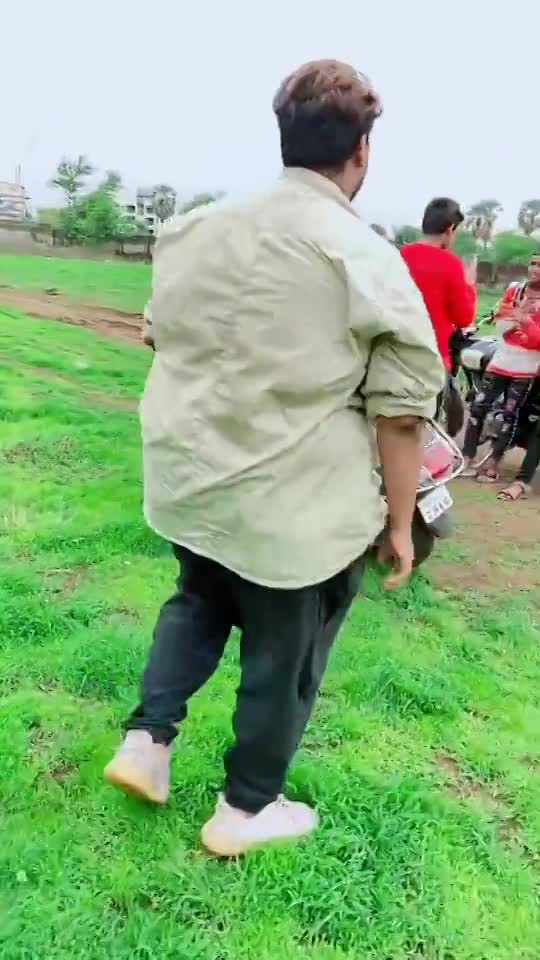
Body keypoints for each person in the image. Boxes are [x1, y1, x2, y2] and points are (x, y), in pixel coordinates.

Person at [104, 59, 444, 857]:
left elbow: (159, 334)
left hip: (194, 483)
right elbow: (401, 416)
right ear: (361, 152)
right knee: (284, 652)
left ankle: (147, 742)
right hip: (296, 510)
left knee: (197, 600)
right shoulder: (366, 258)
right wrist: (400, 525)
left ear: (285, 136)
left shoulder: (195, 230)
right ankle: (246, 808)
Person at [462, 254, 540, 481]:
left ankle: (493, 464)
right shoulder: (515, 290)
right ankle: (467, 457)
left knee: (509, 415)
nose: (534, 268)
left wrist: (523, 322)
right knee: (478, 407)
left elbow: (536, 341)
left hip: (526, 367)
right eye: (532, 263)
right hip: (501, 360)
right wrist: (520, 324)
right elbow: (500, 321)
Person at [400, 198, 477, 372]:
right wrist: (469, 286)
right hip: (431, 358)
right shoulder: (450, 264)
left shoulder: (400, 255)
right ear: (450, 229)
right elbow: (463, 318)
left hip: (396, 353)